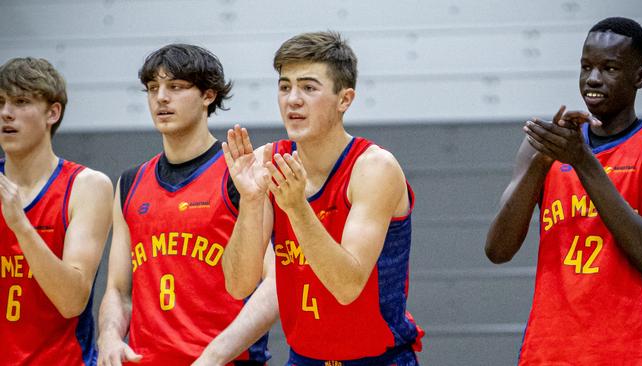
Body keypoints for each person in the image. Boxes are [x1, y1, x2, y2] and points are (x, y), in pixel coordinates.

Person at [222, 31, 423, 365]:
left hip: (378, 359)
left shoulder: (373, 168)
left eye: (308, 87)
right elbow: (239, 285)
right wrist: (251, 201)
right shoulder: (266, 162)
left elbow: (346, 287)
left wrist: (298, 208)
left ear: (344, 99)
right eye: (285, 86)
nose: (292, 99)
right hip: (304, 358)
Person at [97, 44, 277, 366]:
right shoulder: (130, 182)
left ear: (208, 95)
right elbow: (118, 290)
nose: (161, 98)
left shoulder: (240, 176)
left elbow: (273, 286)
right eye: (153, 89)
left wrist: (213, 356)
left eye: (176, 87)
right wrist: (109, 335)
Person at [485, 17, 642, 364]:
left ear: (640, 78)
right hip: (548, 350)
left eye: (609, 68)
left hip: (627, 350)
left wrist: (583, 162)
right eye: (586, 66)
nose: (592, 79)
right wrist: (543, 160)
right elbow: (498, 250)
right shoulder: (545, 146)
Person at [0, 58, 113, 365]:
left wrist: (20, 226)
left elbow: (71, 301)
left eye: (21, 101)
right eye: (0, 102)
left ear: (53, 112)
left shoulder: (87, 186)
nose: (5, 113)